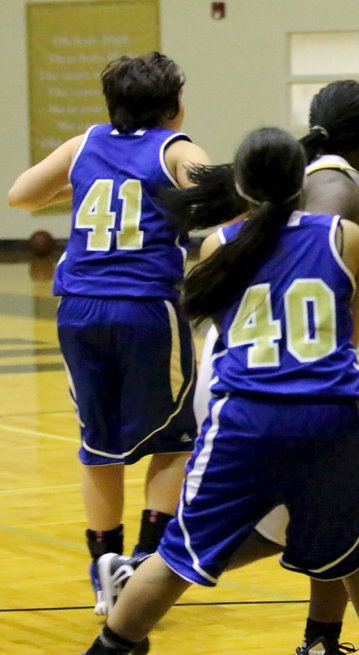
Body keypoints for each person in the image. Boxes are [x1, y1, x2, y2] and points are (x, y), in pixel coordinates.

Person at [100, 80, 359, 655]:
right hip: (329, 410)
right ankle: (345, 641)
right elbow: (348, 334)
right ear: (300, 181)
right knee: (356, 553)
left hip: (246, 410)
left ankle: (112, 643)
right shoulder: (342, 234)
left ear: (240, 186)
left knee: (179, 558)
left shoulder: (218, 246)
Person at [6, 52, 209, 614]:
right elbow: (216, 199)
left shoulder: (84, 144)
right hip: (145, 306)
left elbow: (20, 195)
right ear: (174, 106)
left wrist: (84, 188)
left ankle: (105, 568)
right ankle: (145, 563)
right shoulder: (176, 148)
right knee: (173, 439)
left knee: (99, 445)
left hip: (79, 309)